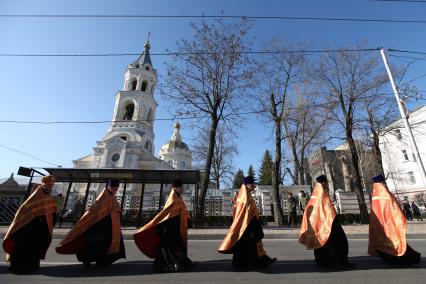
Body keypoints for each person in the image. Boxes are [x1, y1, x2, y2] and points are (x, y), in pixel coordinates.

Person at [56, 179, 125, 267]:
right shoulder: (103, 197)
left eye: (116, 188)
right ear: (109, 187)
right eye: (114, 188)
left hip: (109, 225)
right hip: (98, 225)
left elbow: (115, 209)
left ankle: (102, 261)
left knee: (105, 244)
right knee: (96, 244)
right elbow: (94, 210)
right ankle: (88, 259)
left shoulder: (112, 197)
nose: (115, 190)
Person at [134, 179, 194, 273]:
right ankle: (175, 265)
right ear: (176, 187)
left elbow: (182, 211)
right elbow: (165, 214)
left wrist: (187, 220)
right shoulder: (173, 198)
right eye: (181, 187)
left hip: (176, 226)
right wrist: (160, 226)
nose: (182, 189)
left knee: (173, 247)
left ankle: (178, 263)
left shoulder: (177, 197)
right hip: (170, 227)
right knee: (172, 247)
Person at [218, 176, 276, 271]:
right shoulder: (245, 197)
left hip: (246, 225)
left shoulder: (244, 195)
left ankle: (260, 262)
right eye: (252, 184)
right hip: (247, 225)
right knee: (245, 245)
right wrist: (256, 226)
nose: (253, 186)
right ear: (247, 185)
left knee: (249, 245)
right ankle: (242, 265)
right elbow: (248, 214)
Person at [3, 175, 58, 274]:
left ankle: (32, 266)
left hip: (40, 230)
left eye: (51, 185)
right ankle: (18, 267)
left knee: (34, 249)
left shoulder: (49, 198)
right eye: (48, 185)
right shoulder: (35, 197)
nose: (50, 187)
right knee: (23, 249)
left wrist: (53, 216)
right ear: (43, 185)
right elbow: (23, 212)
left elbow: (52, 213)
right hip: (27, 229)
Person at [299, 175, 351, 269]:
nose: (327, 184)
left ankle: (324, 262)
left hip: (320, 225)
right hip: (329, 224)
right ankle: (338, 262)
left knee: (322, 244)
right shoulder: (322, 196)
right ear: (323, 183)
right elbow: (329, 211)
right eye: (327, 182)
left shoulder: (315, 195)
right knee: (339, 242)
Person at [368, 175, 421, 266]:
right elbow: (394, 209)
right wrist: (400, 218)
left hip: (379, 225)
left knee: (384, 243)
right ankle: (402, 260)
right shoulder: (386, 195)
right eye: (384, 183)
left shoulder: (375, 195)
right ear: (382, 183)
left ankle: (393, 260)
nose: (386, 185)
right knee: (395, 242)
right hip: (390, 224)